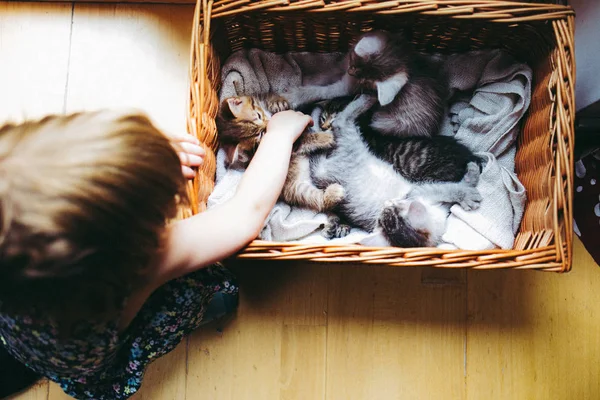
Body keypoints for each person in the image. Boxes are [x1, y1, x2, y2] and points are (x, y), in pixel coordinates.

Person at [0, 108, 313, 399]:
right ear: (134, 239)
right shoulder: (143, 266)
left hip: (25, 335)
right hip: (93, 356)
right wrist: (279, 135)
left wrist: (144, 161)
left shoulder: (16, 242)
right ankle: (211, 305)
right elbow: (244, 214)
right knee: (192, 288)